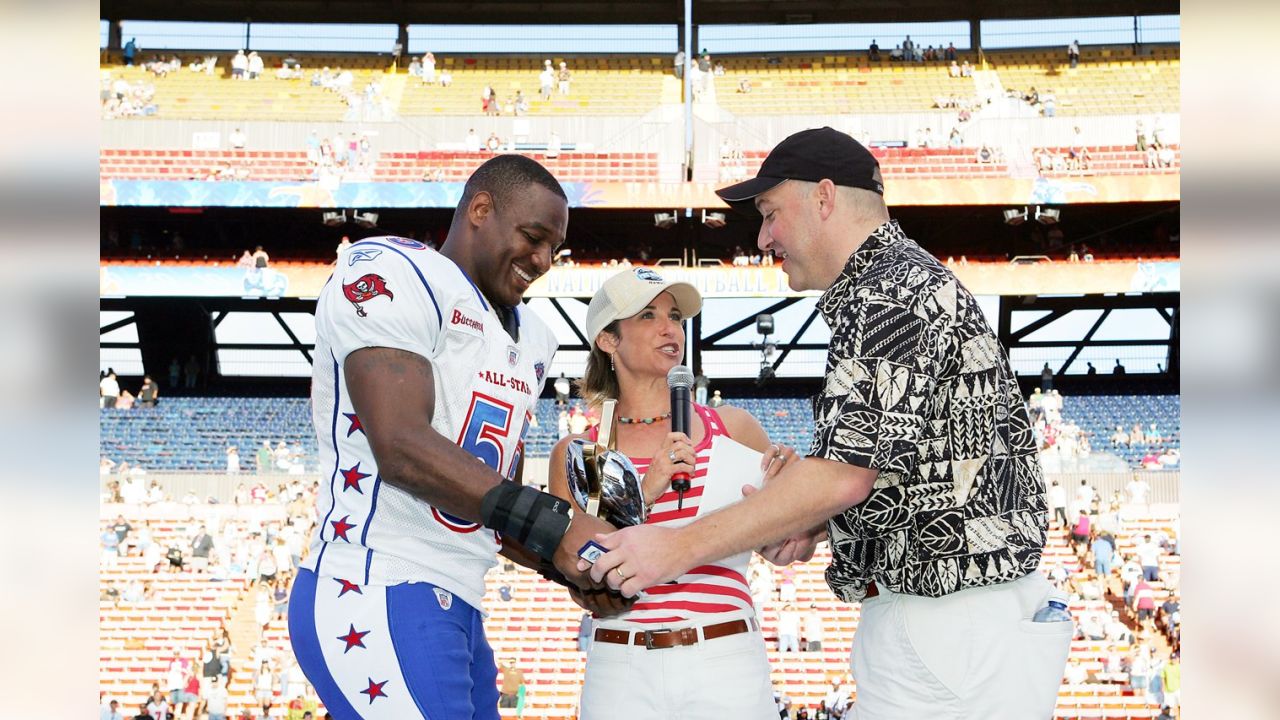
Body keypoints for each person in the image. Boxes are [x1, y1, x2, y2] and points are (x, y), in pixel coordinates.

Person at [586, 127, 1068, 719]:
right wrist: (812, 524)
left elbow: (843, 477)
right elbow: (895, 472)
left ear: (823, 197)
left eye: (768, 213)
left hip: (950, 627)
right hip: (953, 625)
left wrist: (675, 547)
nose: (762, 238)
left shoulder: (888, 291)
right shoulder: (895, 283)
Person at [288, 154, 614, 719]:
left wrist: (564, 562)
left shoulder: (531, 337)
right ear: (480, 210)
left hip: (457, 595)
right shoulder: (394, 271)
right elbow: (401, 447)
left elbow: (489, 497)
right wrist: (555, 527)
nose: (541, 262)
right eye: (533, 238)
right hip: (378, 580)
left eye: (553, 251)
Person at [547, 267, 789, 719]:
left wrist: (791, 525)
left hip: (725, 657)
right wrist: (647, 490)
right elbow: (582, 577)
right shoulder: (582, 451)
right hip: (621, 666)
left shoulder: (733, 428)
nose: (669, 328)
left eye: (675, 315)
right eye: (647, 315)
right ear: (608, 340)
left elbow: (783, 541)